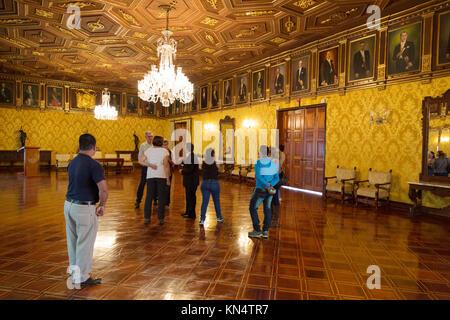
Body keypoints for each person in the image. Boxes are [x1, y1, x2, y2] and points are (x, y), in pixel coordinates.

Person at [64, 133, 108, 287]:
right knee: (85, 243)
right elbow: (103, 189)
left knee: (73, 241)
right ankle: (81, 277)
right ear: (94, 147)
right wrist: (102, 205)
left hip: (69, 205)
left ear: (79, 146)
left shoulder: (72, 162)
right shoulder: (94, 165)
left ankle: (74, 272)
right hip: (84, 208)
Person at [248, 146, 279, 239]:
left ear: (260, 153)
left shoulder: (258, 162)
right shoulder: (272, 164)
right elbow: (277, 178)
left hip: (260, 190)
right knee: (267, 209)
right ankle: (265, 231)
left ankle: (257, 230)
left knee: (252, 207)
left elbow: (259, 176)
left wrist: (266, 185)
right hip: (269, 191)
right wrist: (270, 185)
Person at [139, 135, 171, 225]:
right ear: (161, 142)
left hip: (150, 176)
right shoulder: (165, 151)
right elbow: (166, 166)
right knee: (161, 197)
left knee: (149, 197)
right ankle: (161, 218)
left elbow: (140, 161)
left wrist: (150, 165)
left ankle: (146, 218)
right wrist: (168, 179)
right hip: (161, 176)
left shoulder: (149, 150)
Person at [199, 148, 223, 226]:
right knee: (216, 201)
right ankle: (219, 217)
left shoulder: (203, 162)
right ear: (213, 154)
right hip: (214, 183)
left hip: (205, 183)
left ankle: (202, 219)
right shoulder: (216, 162)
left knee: (204, 202)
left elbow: (201, 169)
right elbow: (218, 170)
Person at [135, 131, 155, 208]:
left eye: (152, 136)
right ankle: (138, 200)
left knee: (154, 184)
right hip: (146, 167)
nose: (151, 138)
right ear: (146, 137)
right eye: (149, 136)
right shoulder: (143, 146)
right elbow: (140, 157)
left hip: (154, 167)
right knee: (142, 184)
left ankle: (155, 199)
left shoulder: (155, 145)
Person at [180, 143, 199, 220]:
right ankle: (188, 212)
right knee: (190, 197)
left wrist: (182, 171)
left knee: (190, 197)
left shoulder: (191, 157)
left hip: (191, 181)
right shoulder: (191, 156)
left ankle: (190, 214)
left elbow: (190, 169)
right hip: (191, 180)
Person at [163, 139, 174, 206]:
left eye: (166, 144)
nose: (166, 146)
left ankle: (167, 202)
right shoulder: (161, 152)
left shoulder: (170, 151)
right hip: (162, 171)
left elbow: (172, 161)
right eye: (164, 145)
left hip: (169, 171)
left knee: (168, 187)